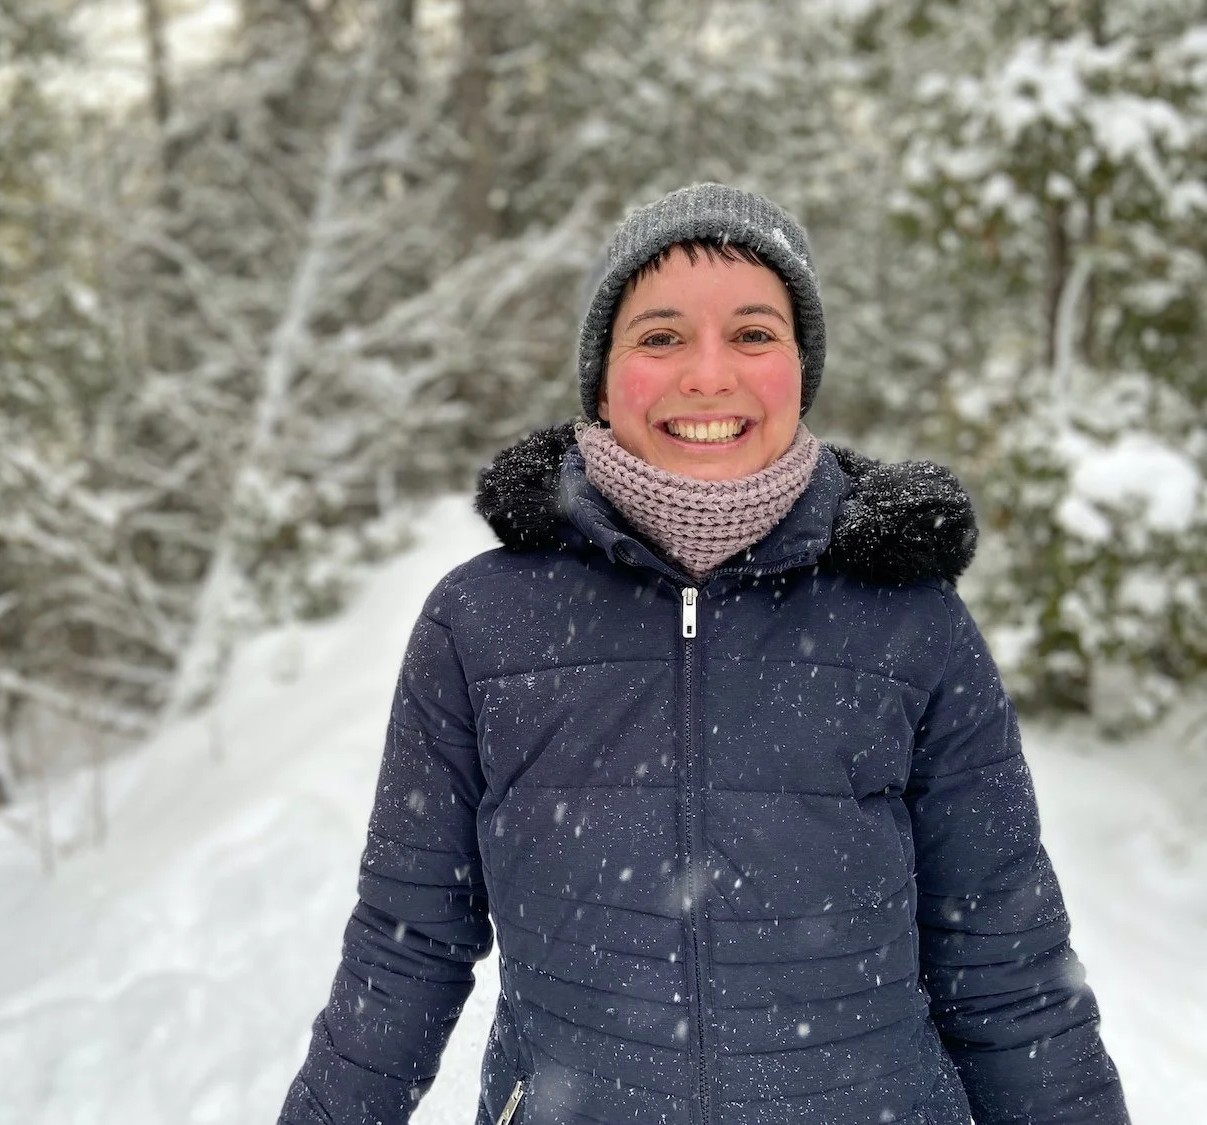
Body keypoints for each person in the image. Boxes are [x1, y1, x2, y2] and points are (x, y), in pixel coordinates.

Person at [278, 183, 1130, 1125]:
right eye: (660, 337)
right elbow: (407, 948)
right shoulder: (482, 625)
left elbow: (1008, 968)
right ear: (602, 380)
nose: (709, 375)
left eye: (755, 334)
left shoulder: (909, 624)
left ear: (801, 371)